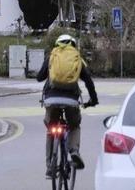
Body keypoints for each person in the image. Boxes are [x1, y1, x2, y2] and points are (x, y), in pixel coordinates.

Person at [37, 34, 98, 177]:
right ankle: (74, 150)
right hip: (71, 101)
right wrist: (93, 100)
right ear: (73, 45)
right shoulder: (77, 59)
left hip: (51, 99)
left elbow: (39, 78)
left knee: (51, 128)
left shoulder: (52, 56)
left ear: (57, 44)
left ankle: (50, 166)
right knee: (74, 125)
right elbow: (89, 82)